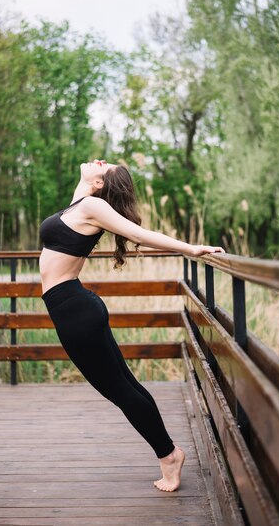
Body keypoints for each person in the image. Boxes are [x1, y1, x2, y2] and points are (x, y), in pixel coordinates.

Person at [39, 159, 225, 492]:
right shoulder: (83, 203)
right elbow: (88, 187)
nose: (100, 160)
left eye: (104, 165)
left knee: (120, 390)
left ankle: (168, 455)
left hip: (75, 311)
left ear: (99, 186)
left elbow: (139, 234)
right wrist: (94, 178)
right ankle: (168, 452)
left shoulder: (93, 206)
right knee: (124, 385)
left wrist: (191, 249)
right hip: (75, 307)